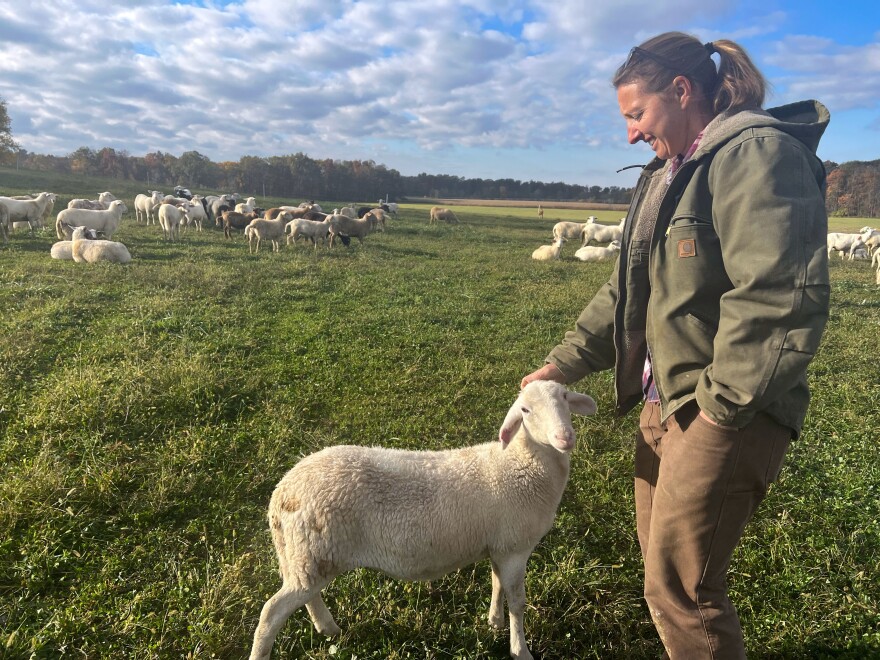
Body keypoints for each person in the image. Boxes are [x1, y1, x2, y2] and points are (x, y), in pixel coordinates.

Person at [521, 31, 830, 659]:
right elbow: (626, 289)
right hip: (665, 402)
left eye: (637, 113)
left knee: (683, 590)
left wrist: (718, 409)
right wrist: (563, 363)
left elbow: (778, 297)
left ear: (682, 91)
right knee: (661, 575)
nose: (630, 133)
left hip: (723, 411)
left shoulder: (756, 154)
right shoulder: (671, 174)